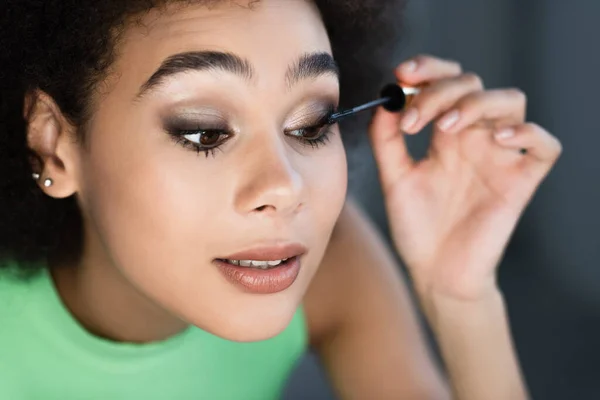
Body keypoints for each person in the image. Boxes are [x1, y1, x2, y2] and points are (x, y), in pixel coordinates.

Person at [0, 0, 562, 399]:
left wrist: (461, 300)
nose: (285, 187)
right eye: (205, 132)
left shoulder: (332, 266)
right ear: (53, 145)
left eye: (312, 124)